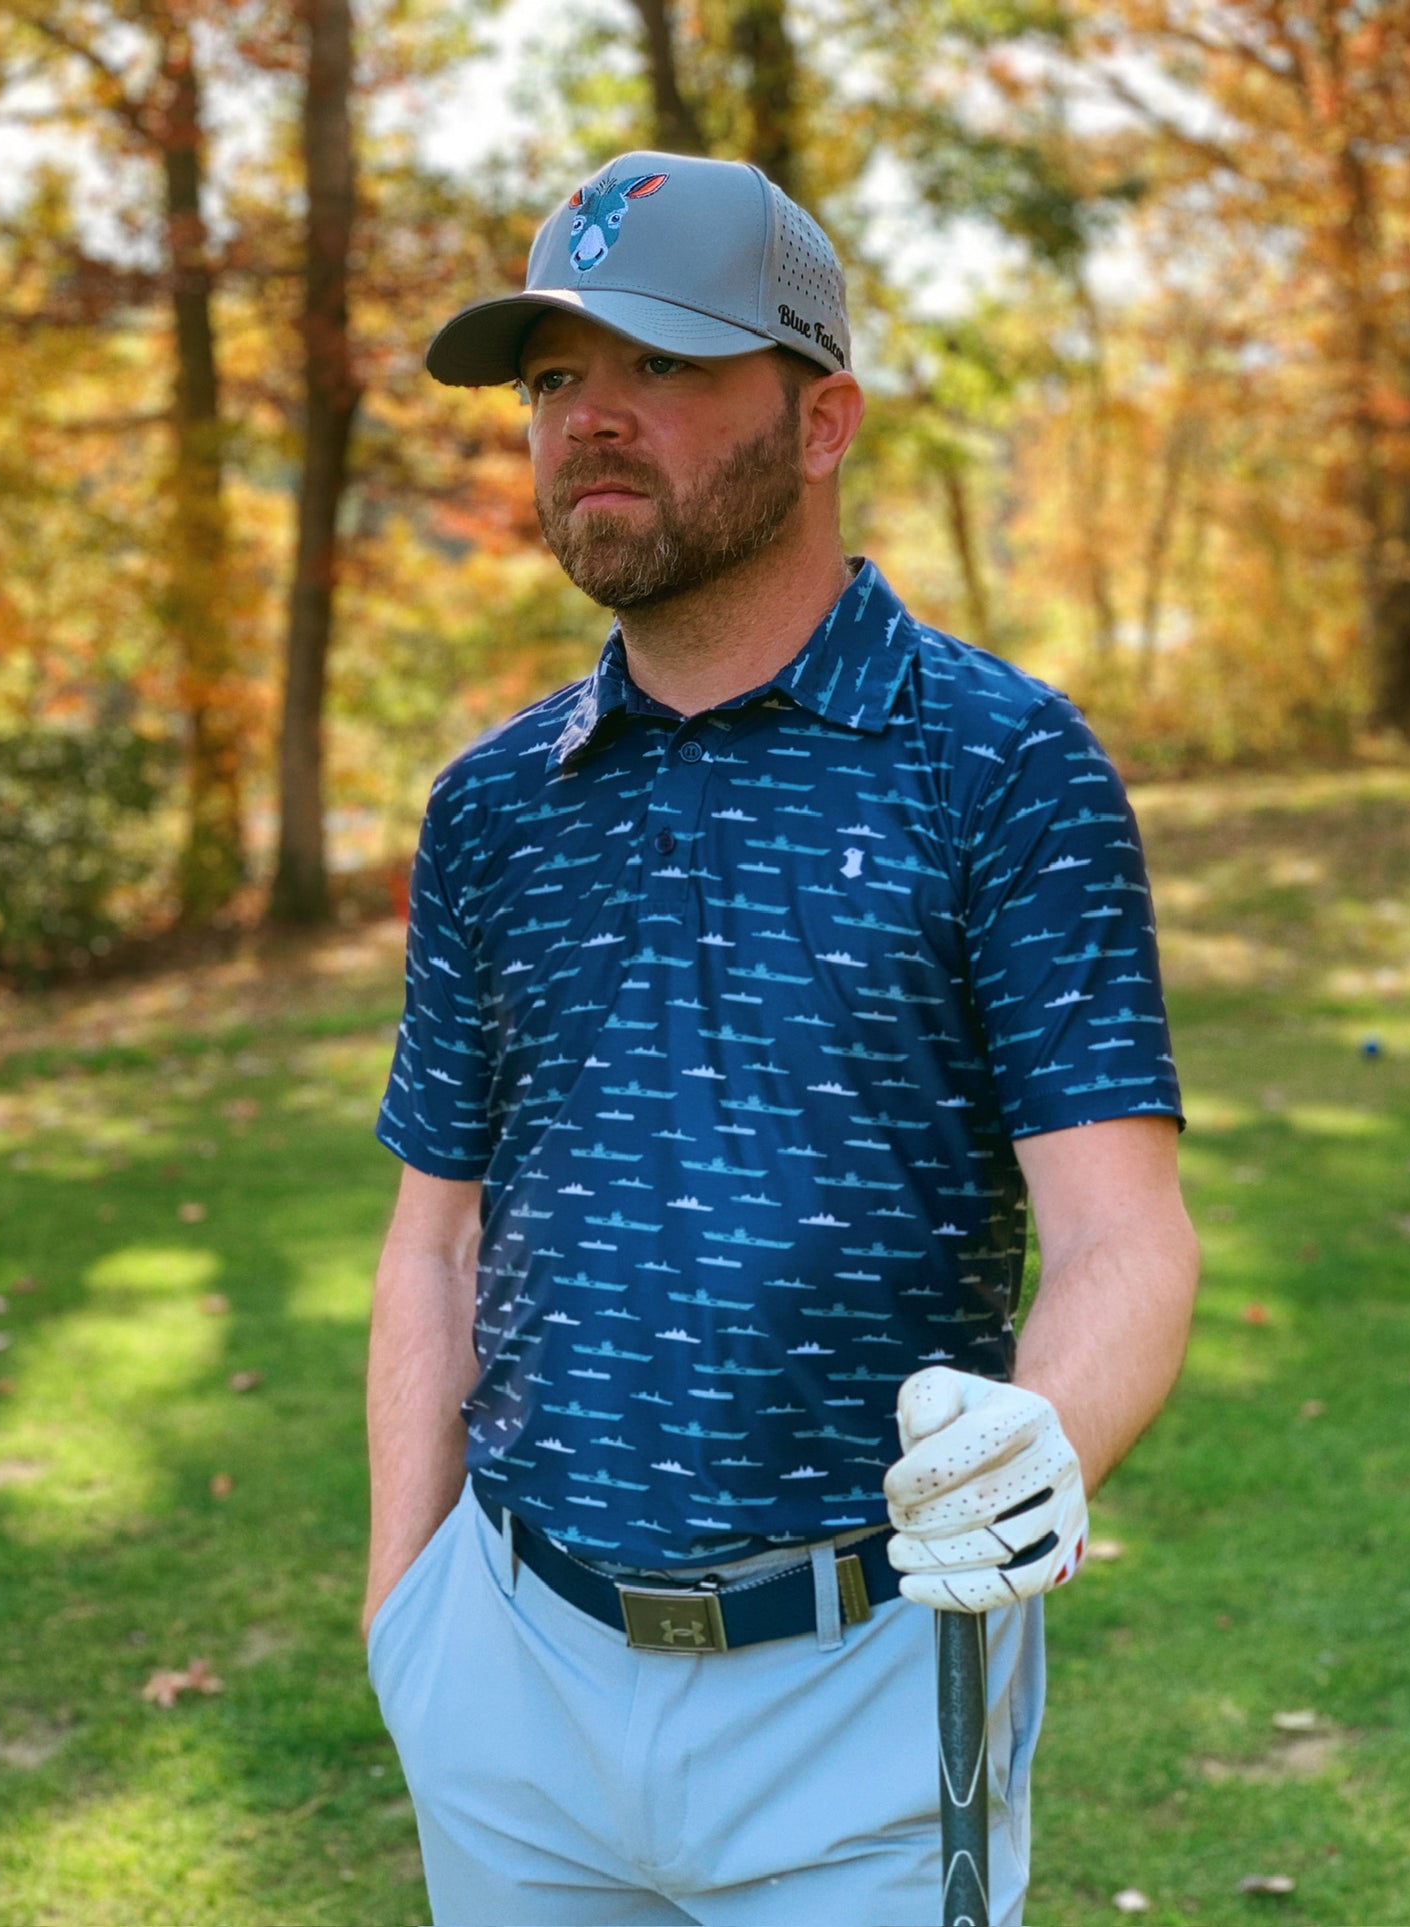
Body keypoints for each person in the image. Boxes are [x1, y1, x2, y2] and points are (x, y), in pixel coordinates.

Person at [364, 150, 1199, 1927]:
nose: (590, 420)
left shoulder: (999, 765)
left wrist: (1041, 1441)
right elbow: (436, 1232)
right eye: (553, 379)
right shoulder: (493, 807)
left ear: (823, 420)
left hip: (868, 1696)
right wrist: (405, 1618)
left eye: (659, 365)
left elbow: (1125, 1236)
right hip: (511, 1680)